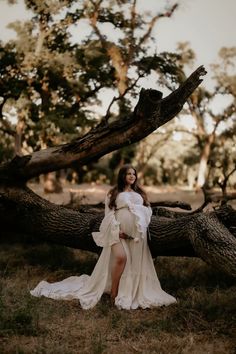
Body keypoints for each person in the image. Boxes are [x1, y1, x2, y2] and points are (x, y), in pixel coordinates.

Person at [30, 165, 176, 310]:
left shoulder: (140, 193)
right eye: (128, 174)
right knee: (121, 258)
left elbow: (148, 210)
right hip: (117, 232)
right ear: (122, 176)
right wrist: (116, 231)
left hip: (137, 235)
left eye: (133, 174)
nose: (132, 176)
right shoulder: (114, 193)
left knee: (134, 262)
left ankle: (128, 290)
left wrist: (140, 216)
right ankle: (114, 292)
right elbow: (109, 214)